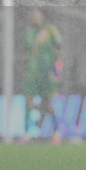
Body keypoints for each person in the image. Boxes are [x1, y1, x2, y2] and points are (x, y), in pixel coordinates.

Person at [21, 9, 63, 145]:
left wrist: (56, 70)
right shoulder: (28, 33)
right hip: (33, 73)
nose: (35, 18)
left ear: (42, 17)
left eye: (37, 16)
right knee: (29, 101)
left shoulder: (50, 30)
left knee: (49, 103)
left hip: (47, 72)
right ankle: (27, 133)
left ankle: (56, 132)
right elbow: (28, 53)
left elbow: (59, 49)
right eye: (32, 16)